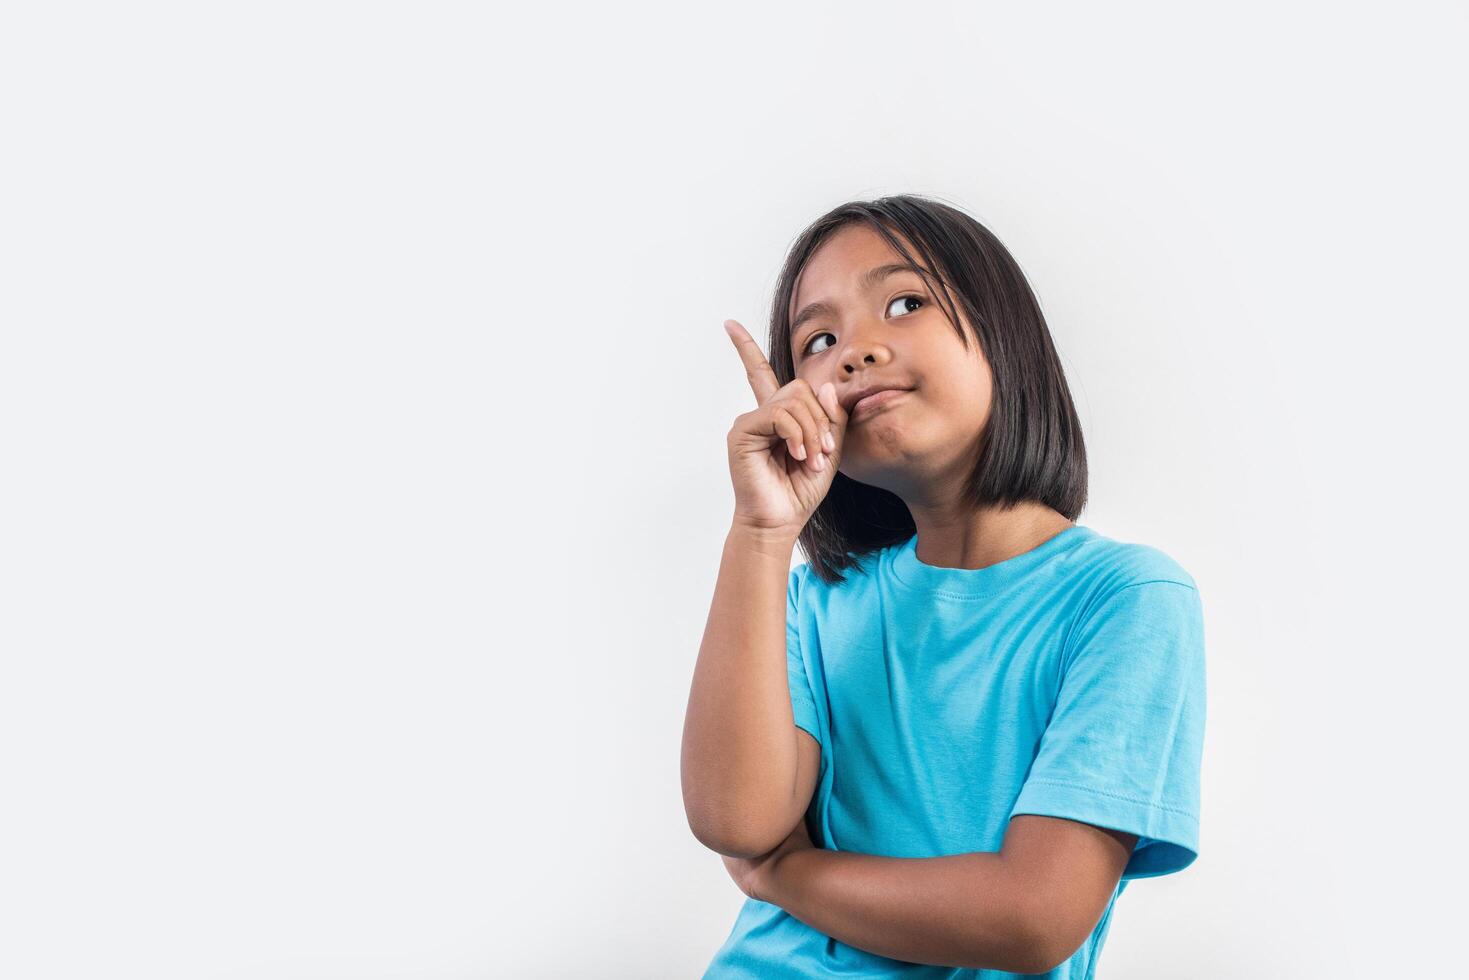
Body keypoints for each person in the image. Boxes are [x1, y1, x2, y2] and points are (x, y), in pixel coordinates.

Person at [680, 194, 1208, 978]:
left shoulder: (1124, 599)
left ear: (1004, 335)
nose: (854, 351)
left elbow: (1033, 916)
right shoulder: (812, 602)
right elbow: (735, 820)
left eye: (904, 303)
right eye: (817, 340)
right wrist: (760, 533)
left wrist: (785, 874)